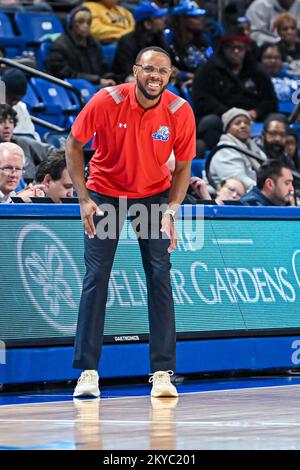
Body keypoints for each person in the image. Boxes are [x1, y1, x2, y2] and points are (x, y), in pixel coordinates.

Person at [66, 46, 196, 398]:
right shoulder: (106, 100)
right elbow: (74, 145)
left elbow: (183, 168)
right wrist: (83, 198)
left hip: (153, 197)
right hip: (107, 193)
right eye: (150, 69)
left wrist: (172, 209)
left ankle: (162, 372)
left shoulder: (179, 110)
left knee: (159, 276)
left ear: (169, 76)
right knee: (96, 278)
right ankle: (88, 372)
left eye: (163, 72)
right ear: (136, 70)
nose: (156, 76)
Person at [192, 25, 278, 151]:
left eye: (240, 48)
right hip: (220, 116)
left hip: (252, 116)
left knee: (276, 121)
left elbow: (270, 100)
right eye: (232, 47)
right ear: (224, 48)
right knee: (210, 122)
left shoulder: (257, 70)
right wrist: (231, 114)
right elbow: (202, 100)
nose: (236, 51)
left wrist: (256, 112)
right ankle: (214, 157)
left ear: (246, 49)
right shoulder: (208, 70)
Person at [46, 5, 116, 86]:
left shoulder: (93, 42)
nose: (85, 25)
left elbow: (103, 68)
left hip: (96, 84)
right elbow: (64, 74)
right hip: (73, 87)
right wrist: (97, 80)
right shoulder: (60, 45)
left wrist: (109, 78)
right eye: (80, 22)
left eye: (88, 22)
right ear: (72, 24)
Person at [205, 107, 267, 191]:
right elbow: (239, 180)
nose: (243, 125)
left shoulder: (254, 147)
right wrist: (265, 192)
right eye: (237, 123)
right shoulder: (224, 149)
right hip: (226, 198)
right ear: (227, 129)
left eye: (246, 123)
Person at [112, 1, 169, 82]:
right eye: (158, 18)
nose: (164, 21)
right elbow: (128, 72)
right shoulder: (127, 42)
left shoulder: (159, 38)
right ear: (147, 24)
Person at [0, 104, 55, 182]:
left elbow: (54, 153)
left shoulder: (23, 143)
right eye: (1, 122)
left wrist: (40, 175)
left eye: (11, 122)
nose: (7, 126)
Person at [1, 68, 40, 141]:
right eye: (10, 98)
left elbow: (32, 136)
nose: (14, 103)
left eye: (17, 100)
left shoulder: (21, 107)